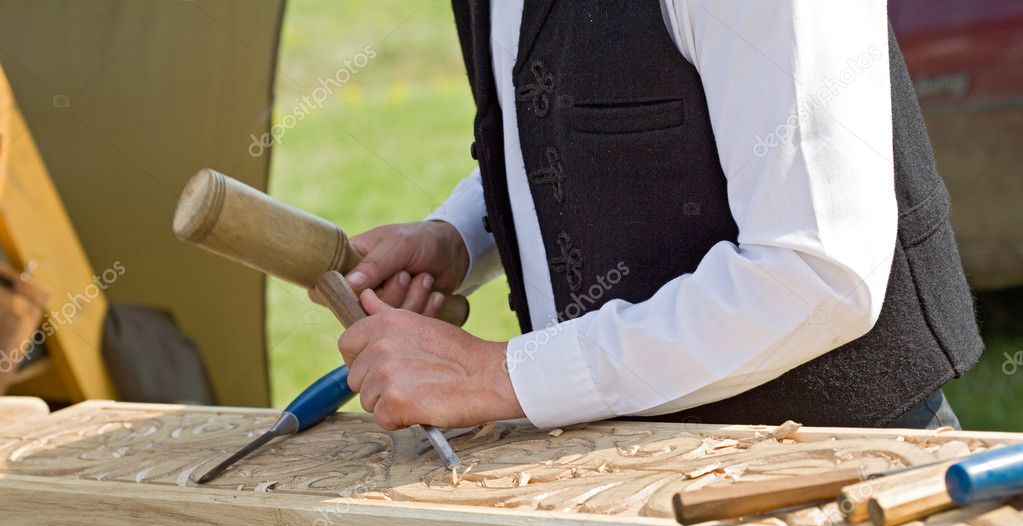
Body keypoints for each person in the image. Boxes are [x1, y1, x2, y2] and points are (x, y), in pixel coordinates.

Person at [327, 1, 980, 433]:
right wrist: (461, 238)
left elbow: (813, 274)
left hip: (833, 479)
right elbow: (566, 118)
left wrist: (494, 374)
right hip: (611, 478)